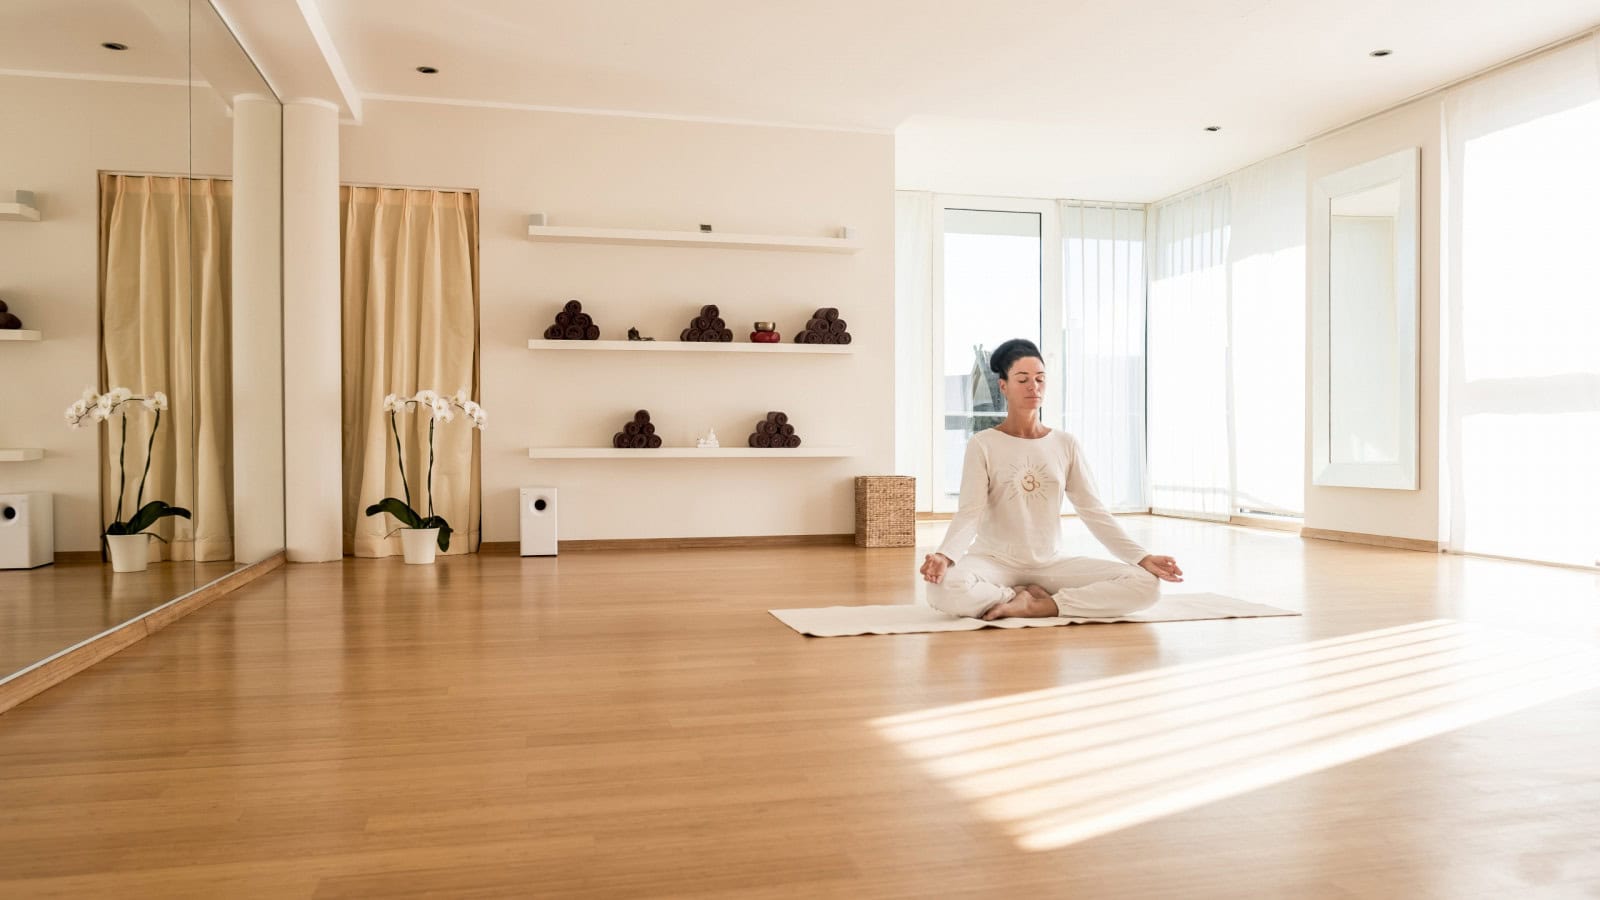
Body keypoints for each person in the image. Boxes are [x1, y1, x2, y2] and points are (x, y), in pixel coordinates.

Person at [920, 338, 1183, 621]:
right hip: (994, 561)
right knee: (942, 589)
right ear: (1003, 386)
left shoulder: (1065, 443)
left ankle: (1042, 605)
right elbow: (969, 513)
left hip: (1051, 564)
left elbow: (1093, 511)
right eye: (1023, 379)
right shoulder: (983, 443)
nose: (1033, 386)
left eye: (1040, 379)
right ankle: (1013, 596)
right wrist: (945, 556)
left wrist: (1142, 558)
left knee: (1146, 585)